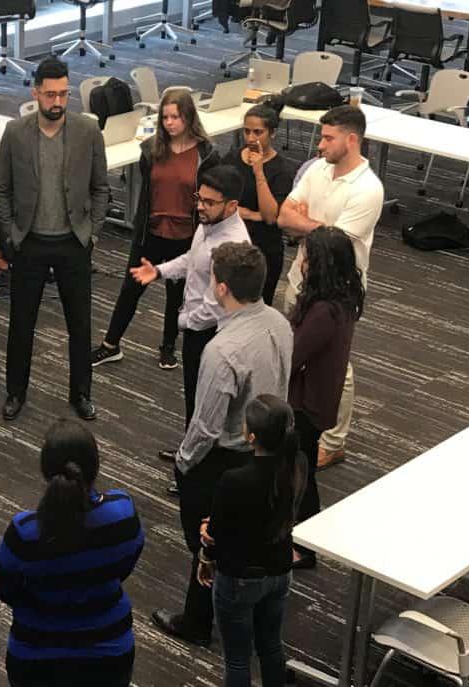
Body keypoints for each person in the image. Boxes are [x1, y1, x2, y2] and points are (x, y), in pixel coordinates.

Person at [137, 241, 292, 647]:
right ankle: (225, 613)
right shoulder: (279, 322)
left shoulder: (221, 351)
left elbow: (205, 428)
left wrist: (184, 465)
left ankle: (198, 622)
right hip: (271, 449)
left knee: (206, 541)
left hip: (226, 459)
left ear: (221, 289)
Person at [0, 56, 109, 422]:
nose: (57, 102)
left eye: (63, 94)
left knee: (80, 324)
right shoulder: (15, 132)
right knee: (21, 324)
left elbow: (100, 188)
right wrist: (11, 233)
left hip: (73, 242)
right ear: (35, 93)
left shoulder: (88, 131)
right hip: (29, 242)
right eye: (50, 95)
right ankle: (15, 392)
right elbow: (3, 189)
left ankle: (82, 393)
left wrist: (92, 234)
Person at [0, 419, 145, 687]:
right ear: (94, 466)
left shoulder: (24, 531)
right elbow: (126, 564)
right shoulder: (122, 512)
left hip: (35, 655)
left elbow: (6, 590)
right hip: (109, 652)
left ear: (45, 470)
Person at [278, 105, 384, 471]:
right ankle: (297, 418)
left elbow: (332, 240)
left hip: (336, 293)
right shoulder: (318, 169)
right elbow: (282, 216)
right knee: (295, 351)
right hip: (300, 280)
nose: (319, 145)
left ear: (351, 140)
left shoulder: (369, 189)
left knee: (338, 366)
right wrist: (319, 227)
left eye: (328, 138)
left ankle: (334, 441)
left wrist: (306, 222)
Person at [134, 165, 251, 487]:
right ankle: (192, 450)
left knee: (208, 406)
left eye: (209, 202)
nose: (200, 206)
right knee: (195, 401)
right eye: (200, 197)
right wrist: (158, 271)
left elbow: (215, 307)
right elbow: (191, 259)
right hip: (197, 330)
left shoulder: (232, 246)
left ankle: (196, 472)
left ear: (231, 206)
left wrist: (184, 321)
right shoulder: (208, 225)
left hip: (209, 333)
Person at [92, 88, 219, 371]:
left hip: (186, 234)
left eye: (175, 117)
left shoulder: (206, 155)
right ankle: (110, 344)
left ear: (188, 117)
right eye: (165, 117)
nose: (169, 123)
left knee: (177, 295)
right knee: (131, 288)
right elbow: (147, 192)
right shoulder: (151, 150)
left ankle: (168, 346)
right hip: (151, 231)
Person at [198, 395, 306, 687]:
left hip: (239, 578)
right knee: (271, 645)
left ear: (252, 436)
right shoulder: (298, 466)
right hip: (281, 570)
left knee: (237, 658)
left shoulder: (234, 480)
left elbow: (215, 533)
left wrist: (206, 546)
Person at [287, 226, 364, 569]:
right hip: (318, 399)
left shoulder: (323, 311)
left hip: (306, 404)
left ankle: (304, 548)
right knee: (300, 471)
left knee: (301, 475)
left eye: (306, 257)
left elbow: (293, 356)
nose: (300, 263)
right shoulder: (342, 300)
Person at [221, 104, 298, 306]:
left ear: (272, 133)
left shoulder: (282, 169)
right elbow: (217, 199)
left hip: (264, 248)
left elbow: (271, 216)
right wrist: (248, 213)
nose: (251, 138)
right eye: (247, 131)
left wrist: (258, 172)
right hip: (231, 243)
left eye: (258, 132)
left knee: (256, 308)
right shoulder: (232, 158)